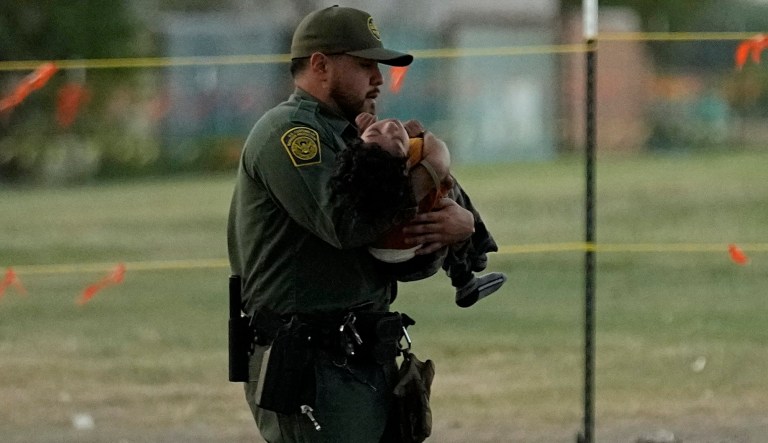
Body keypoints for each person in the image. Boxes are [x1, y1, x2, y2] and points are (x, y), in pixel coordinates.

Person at [227, 6, 476, 443]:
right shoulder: (289, 133)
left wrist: (453, 223)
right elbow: (347, 224)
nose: (378, 79)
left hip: (365, 359)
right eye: (364, 66)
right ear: (320, 64)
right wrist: (432, 167)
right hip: (311, 367)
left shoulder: (352, 137)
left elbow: (389, 246)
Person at [331, 112, 507, 308]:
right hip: (422, 257)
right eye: (398, 142)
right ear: (405, 164)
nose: (389, 127)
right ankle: (473, 258)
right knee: (447, 197)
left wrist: (367, 134)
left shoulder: (362, 178)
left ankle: (467, 275)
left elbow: (370, 157)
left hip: (379, 262)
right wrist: (424, 135)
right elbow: (440, 156)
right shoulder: (419, 166)